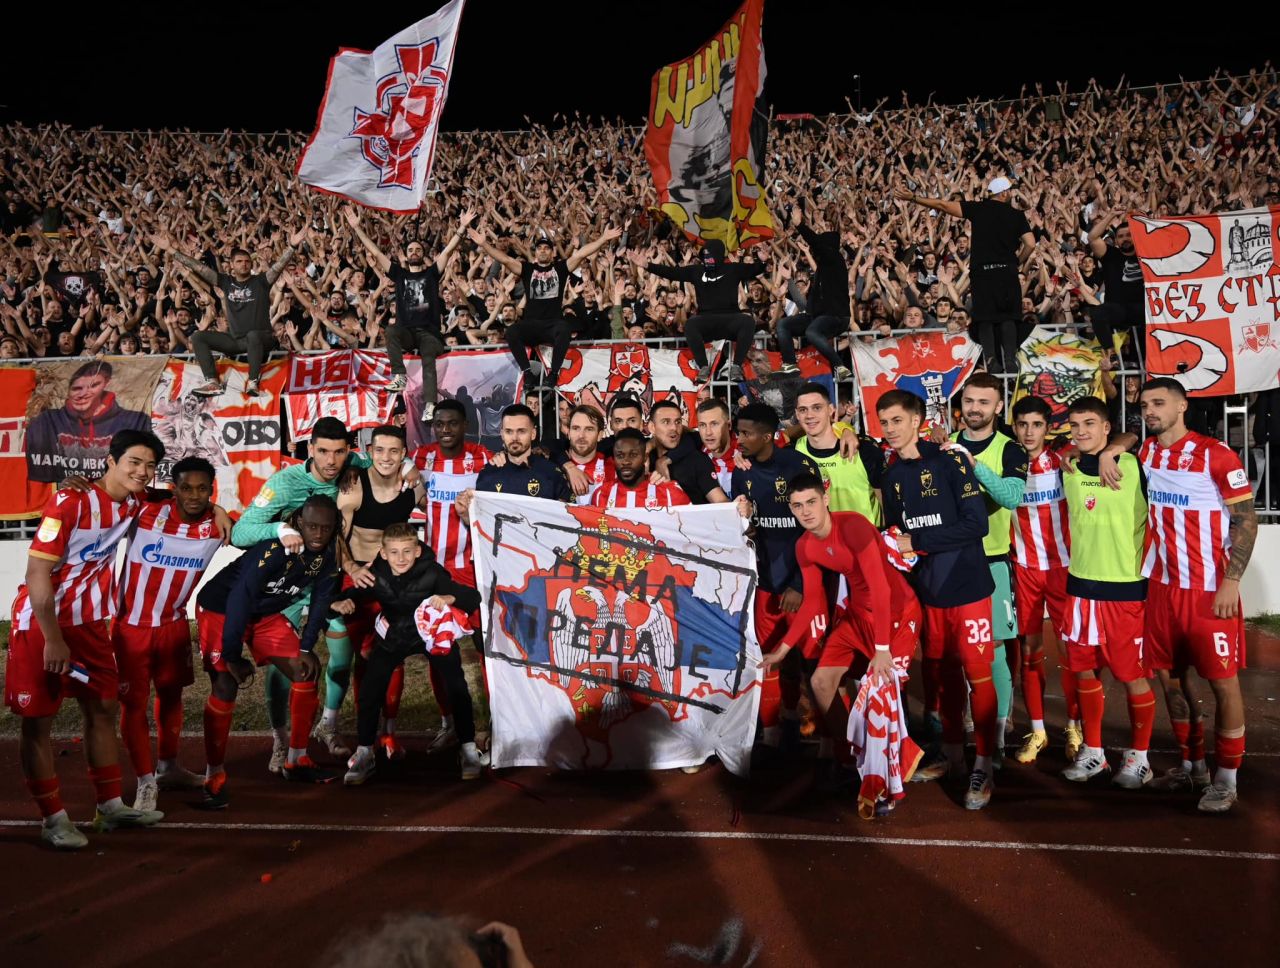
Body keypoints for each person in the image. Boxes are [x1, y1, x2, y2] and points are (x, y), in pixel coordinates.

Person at [5, 430, 170, 848]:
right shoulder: (70, 501)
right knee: (38, 722)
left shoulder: (133, 503)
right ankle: (53, 819)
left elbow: (183, 497)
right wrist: (52, 638)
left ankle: (110, 806)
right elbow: (37, 573)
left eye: (150, 465)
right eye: (134, 462)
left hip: (93, 624)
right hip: (43, 626)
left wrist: (219, 511)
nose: (143, 471)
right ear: (110, 461)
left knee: (102, 708)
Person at [231, 417, 392, 770]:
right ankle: (280, 739)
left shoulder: (356, 466)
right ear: (309, 449)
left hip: (328, 583)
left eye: (339, 452)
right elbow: (241, 533)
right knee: (284, 666)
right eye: (323, 452)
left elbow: (390, 461)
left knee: (340, 656)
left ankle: (328, 725)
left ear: (350, 450)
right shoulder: (285, 482)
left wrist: (406, 469)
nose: (331, 461)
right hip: (285, 589)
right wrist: (279, 527)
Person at [1136, 378, 1256, 811]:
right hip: (1162, 587)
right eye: (1145, 404)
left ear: (1182, 406)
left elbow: (1246, 520)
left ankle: (1226, 780)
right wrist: (1117, 447)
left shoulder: (1216, 454)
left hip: (1209, 590)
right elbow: (1130, 439)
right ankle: (1192, 769)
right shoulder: (1147, 452)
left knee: (1223, 684)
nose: (1150, 410)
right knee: (1171, 680)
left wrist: (1231, 582)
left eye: (1159, 403)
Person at [761, 473, 922, 794]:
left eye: (811, 502)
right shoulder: (805, 546)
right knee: (820, 683)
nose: (805, 511)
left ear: (825, 500)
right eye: (797, 506)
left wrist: (881, 648)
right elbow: (813, 601)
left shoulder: (854, 526)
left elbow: (879, 587)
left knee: (882, 691)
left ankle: (894, 764)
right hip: (857, 615)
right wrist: (782, 649)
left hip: (896, 614)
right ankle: (847, 755)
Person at [877, 390, 997, 810]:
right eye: (884, 422)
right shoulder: (891, 478)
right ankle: (952, 752)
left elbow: (976, 524)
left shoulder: (951, 460)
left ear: (917, 420)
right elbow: (897, 536)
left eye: (896, 420)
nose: (890, 429)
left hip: (968, 587)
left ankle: (984, 761)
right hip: (929, 592)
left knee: (977, 673)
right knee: (943, 676)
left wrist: (919, 540)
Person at [195, 495, 345, 807]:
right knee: (225, 684)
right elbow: (240, 597)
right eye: (312, 526)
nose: (318, 534)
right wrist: (233, 655)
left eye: (326, 528)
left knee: (307, 668)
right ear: (299, 523)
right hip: (222, 609)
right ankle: (214, 775)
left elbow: (320, 601)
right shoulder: (275, 548)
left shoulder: (329, 554)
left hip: (264, 614)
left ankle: (296, 759)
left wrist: (306, 646)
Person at [115, 456, 226, 811]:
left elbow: (255, 530)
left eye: (203, 489)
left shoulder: (217, 526)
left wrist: (222, 510)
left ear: (212, 490)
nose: (195, 495)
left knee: (171, 696)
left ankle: (167, 767)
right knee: (133, 704)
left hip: (174, 625)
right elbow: (111, 487)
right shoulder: (145, 510)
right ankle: (146, 782)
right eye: (186, 488)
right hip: (131, 627)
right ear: (173, 489)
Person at [335, 524, 485, 785]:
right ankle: (364, 751)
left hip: (430, 636)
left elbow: (472, 597)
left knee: (456, 685)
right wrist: (339, 602)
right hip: (394, 636)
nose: (401, 558)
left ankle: (469, 748)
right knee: (371, 688)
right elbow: (351, 595)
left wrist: (450, 597)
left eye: (406, 551)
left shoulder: (432, 572)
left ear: (417, 551)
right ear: (383, 553)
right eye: (394, 552)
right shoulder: (375, 573)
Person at [1057, 397, 1156, 789]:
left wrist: (1117, 447)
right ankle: (1094, 753)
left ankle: (1140, 758)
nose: (1081, 431)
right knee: (1084, 671)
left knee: (1132, 675)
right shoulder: (1065, 464)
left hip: (1125, 589)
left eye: (1090, 423)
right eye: (1075, 424)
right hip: (1080, 586)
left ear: (1105, 428)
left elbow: (1136, 436)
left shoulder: (1133, 464)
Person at [947, 373, 1029, 766]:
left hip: (993, 561)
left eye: (984, 402)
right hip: (948, 561)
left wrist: (973, 465)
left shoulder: (1011, 450)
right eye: (969, 401)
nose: (974, 409)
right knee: (950, 650)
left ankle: (996, 733)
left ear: (999, 407)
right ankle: (954, 723)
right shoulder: (944, 445)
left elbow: (1012, 497)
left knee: (993, 649)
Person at [332, 425, 426, 760]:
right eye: (380, 450)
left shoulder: (413, 487)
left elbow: (424, 509)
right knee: (367, 657)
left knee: (394, 654)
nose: (386, 458)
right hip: (358, 576)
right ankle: (365, 735)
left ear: (403, 454)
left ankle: (388, 733)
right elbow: (336, 536)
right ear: (370, 451)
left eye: (394, 451)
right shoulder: (355, 485)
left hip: (391, 579)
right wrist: (353, 569)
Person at [729, 406, 820, 751]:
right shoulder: (742, 471)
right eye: (738, 432)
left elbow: (814, 527)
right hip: (765, 582)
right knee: (769, 657)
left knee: (809, 656)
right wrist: (747, 521)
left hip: (801, 582)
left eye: (747, 433)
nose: (740, 440)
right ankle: (773, 731)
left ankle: (821, 728)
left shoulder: (798, 467)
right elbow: (747, 527)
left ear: (768, 436)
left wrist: (799, 581)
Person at [411, 400, 493, 751]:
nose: (445, 430)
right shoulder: (420, 460)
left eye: (452, 423)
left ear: (465, 425)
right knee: (437, 646)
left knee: (484, 646)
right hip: (433, 568)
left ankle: (494, 720)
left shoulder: (484, 459)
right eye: (439, 424)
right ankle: (449, 722)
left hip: (472, 567)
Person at [343, 205, 476, 410]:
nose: (414, 252)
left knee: (428, 361)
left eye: (418, 250)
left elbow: (448, 250)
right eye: (411, 250)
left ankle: (430, 405)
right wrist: (357, 228)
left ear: (423, 254)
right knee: (390, 330)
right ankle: (399, 376)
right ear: (405, 255)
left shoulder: (432, 273)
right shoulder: (399, 274)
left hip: (429, 334)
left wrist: (463, 226)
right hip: (407, 333)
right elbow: (376, 252)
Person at [895, 178, 1034, 374]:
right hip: (1007, 272)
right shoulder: (1016, 215)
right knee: (1009, 318)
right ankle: (1010, 360)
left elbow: (942, 204)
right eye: (1010, 191)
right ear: (1004, 193)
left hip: (983, 273)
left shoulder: (978, 208)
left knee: (985, 318)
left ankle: (991, 360)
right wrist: (1017, 262)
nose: (1011, 194)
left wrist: (914, 197)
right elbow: (1030, 243)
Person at [1007, 396, 1079, 764]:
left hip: (1065, 569)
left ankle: (1074, 725)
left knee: (1072, 653)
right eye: (1022, 424)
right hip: (1025, 570)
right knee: (1030, 653)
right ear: (1014, 426)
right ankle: (1037, 730)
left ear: (1048, 428)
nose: (1029, 432)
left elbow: (1121, 436)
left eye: (1036, 424)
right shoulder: (1007, 460)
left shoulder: (1066, 458)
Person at [153, 226, 305, 396]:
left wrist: (291, 247)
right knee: (198, 337)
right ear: (231, 265)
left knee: (253, 335)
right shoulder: (225, 282)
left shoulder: (261, 281)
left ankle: (253, 382)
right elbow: (199, 268)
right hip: (237, 340)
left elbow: (277, 267)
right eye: (239, 261)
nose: (244, 264)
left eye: (247, 261)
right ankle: (212, 382)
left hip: (263, 339)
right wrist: (171, 250)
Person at [469, 226, 622, 385]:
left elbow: (582, 253)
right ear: (535, 253)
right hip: (531, 324)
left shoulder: (561, 268)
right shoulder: (527, 269)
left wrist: (603, 238)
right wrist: (485, 244)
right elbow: (505, 259)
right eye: (540, 248)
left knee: (564, 328)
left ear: (552, 252)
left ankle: (554, 374)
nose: (543, 251)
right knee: (512, 331)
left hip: (552, 324)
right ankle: (527, 373)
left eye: (547, 248)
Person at [631, 240, 766, 383]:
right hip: (705, 319)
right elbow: (672, 273)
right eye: (705, 255)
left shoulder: (732, 268)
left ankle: (736, 366)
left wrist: (763, 261)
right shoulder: (696, 270)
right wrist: (647, 265)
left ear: (719, 255)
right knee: (691, 324)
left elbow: (755, 269)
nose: (707, 258)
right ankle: (703, 367)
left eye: (710, 255)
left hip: (730, 317)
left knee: (747, 321)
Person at [25, 359, 153, 484]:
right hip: (66, 490)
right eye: (76, 388)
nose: (83, 394)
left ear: (106, 384)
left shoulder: (134, 420)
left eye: (93, 386)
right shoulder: (46, 420)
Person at [457, 405, 572, 524]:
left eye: (521, 431)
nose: (514, 438)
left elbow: (567, 521)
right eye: (509, 431)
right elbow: (482, 525)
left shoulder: (551, 472)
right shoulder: (488, 473)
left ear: (533, 433)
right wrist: (466, 515)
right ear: (502, 434)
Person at [777, 205, 853, 380]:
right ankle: (789, 364)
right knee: (784, 325)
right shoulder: (822, 270)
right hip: (816, 317)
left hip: (836, 316)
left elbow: (817, 245)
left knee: (812, 332)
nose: (814, 251)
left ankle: (839, 366)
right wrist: (789, 281)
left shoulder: (835, 259)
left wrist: (800, 225)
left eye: (819, 247)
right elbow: (807, 304)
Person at [792, 383, 883, 525]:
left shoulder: (863, 448)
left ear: (830, 410)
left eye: (817, 408)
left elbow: (884, 498)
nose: (809, 415)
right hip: (826, 543)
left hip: (867, 541)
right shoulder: (795, 452)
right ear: (797, 414)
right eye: (803, 410)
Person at [1085, 214, 1146, 358]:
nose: (1125, 238)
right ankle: (1110, 352)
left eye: (1129, 235)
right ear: (1116, 240)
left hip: (1144, 309)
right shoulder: (1110, 254)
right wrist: (1111, 215)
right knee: (1098, 313)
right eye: (1120, 236)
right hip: (1118, 309)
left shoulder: (1149, 253)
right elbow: (1092, 237)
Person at [649, 399, 730, 504]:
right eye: (666, 422)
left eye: (678, 422)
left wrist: (739, 508)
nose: (674, 427)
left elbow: (720, 502)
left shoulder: (698, 460)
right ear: (652, 427)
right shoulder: (643, 458)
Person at [590, 428, 690, 508]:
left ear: (645, 457)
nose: (626, 462)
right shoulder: (601, 495)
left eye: (633, 455)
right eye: (620, 456)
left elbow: (691, 529)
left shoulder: (670, 493)